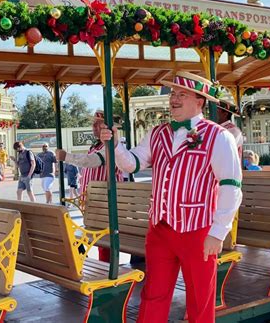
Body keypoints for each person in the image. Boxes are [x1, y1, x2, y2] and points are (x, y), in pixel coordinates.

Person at [100, 71, 242, 323]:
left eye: (181, 95)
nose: (173, 99)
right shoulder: (157, 133)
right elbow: (132, 164)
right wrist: (115, 145)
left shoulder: (219, 136)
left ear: (200, 101)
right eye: (172, 94)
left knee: (200, 298)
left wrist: (218, 231)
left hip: (198, 230)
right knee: (154, 294)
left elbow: (231, 185)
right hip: (161, 229)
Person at [56, 110, 123, 261]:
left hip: (107, 202)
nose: (94, 126)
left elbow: (93, 161)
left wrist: (67, 157)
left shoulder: (112, 145)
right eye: (93, 123)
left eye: (98, 124)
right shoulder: (96, 146)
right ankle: (85, 261)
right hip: (94, 202)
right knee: (88, 235)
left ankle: (105, 267)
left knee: (103, 237)